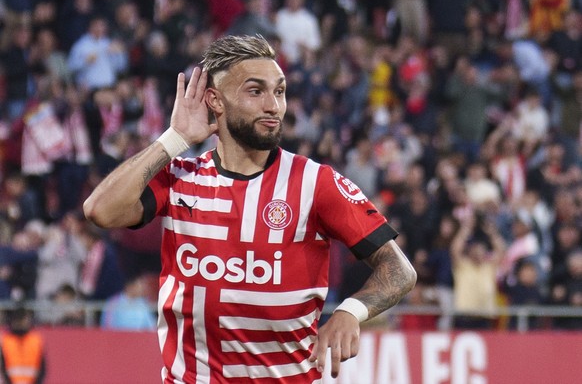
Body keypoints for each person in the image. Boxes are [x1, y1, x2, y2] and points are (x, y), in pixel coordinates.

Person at [83, 35, 416, 382]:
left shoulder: (315, 182)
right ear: (215, 100)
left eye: (280, 91)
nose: (273, 105)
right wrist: (175, 138)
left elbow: (399, 269)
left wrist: (351, 311)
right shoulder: (179, 177)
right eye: (255, 91)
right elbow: (100, 211)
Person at [0, 307, 47, 384]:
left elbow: (42, 367)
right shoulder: (6, 341)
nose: (21, 323)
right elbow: (2, 367)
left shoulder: (36, 340)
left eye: (22, 320)